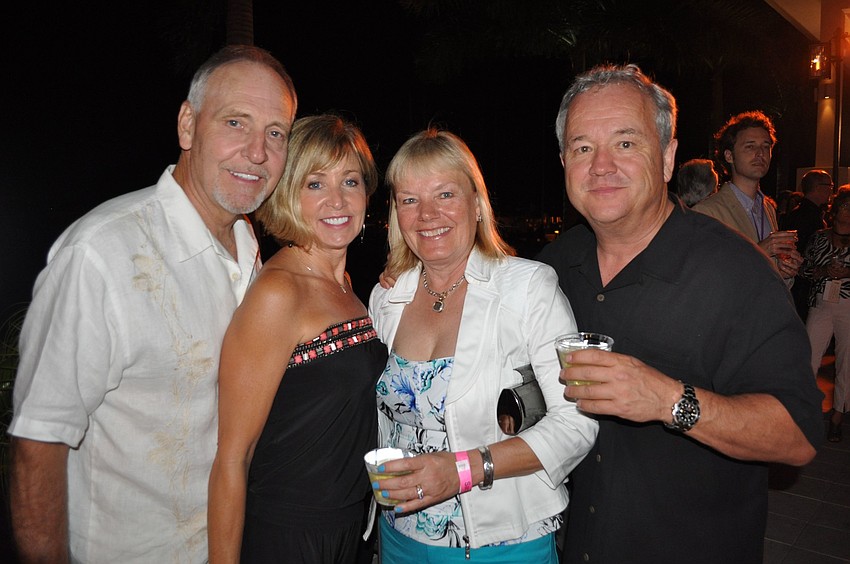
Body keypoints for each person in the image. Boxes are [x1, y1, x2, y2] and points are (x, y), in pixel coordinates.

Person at [8, 45, 297, 563]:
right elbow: (39, 442)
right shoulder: (102, 255)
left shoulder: (252, 249)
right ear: (188, 126)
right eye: (236, 122)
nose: (258, 152)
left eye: (276, 132)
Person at [536, 63, 823, 564]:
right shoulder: (552, 267)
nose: (601, 165)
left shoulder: (736, 273)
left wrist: (669, 400)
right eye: (582, 147)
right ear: (564, 162)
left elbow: (797, 437)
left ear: (667, 157)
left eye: (626, 143)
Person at [369, 128, 598, 563]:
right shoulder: (386, 298)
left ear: (476, 204)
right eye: (410, 199)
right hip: (398, 537)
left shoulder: (527, 287)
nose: (427, 214)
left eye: (445, 194)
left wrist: (461, 471)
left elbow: (576, 424)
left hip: (502, 543)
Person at [207, 114, 387, 563]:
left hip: (351, 531)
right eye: (315, 184)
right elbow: (232, 457)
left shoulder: (348, 286)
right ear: (288, 193)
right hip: (289, 536)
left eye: (350, 181)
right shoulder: (279, 292)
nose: (337, 200)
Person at [693, 110, 802, 281]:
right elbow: (703, 276)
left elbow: (762, 275)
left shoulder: (768, 208)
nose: (760, 153)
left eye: (766, 146)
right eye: (750, 146)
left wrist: (783, 272)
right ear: (729, 156)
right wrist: (760, 251)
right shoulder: (707, 212)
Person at [801, 187, 850, 442]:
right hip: (821, 303)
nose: (849, 211)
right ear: (836, 209)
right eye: (845, 206)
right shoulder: (820, 237)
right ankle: (805, 413)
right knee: (808, 356)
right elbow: (804, 270)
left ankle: (837, 417)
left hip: (848, 305)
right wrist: (822, 271)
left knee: (846, 363)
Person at [782, 169, 834, 321]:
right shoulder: (809, 217)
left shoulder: (800, 213)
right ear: (818, 187)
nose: (831, 189)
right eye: (829, 186)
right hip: (804, 285)